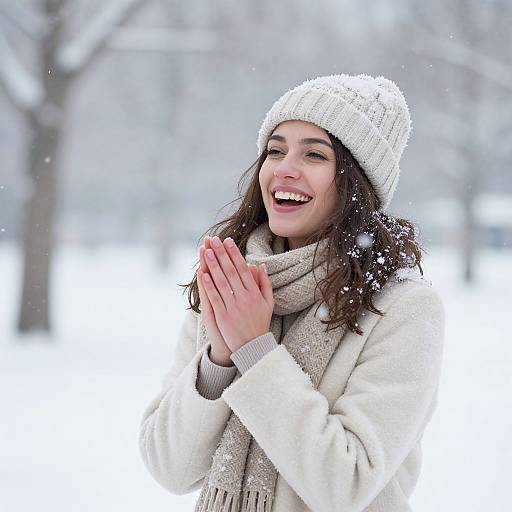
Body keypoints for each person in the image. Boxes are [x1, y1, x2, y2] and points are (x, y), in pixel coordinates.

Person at [138, 74, 445, 512]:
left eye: (315, 154)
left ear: (357, 183)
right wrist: (219, 361)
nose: (284, 168)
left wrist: (254, 351)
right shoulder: (232, 286)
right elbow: (169, 468)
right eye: (276, 150)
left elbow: (346, 485)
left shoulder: (404, 308)